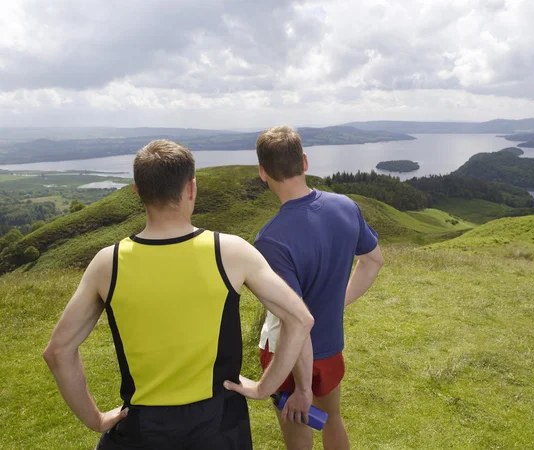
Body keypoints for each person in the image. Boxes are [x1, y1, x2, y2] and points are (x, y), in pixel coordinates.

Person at [43, 139, 314, 450]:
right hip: (220, 429)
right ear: (191, 189)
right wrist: (265, 387)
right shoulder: (229, 251)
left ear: (138, 192)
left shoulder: (109, 262)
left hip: (142, 431)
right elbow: (299, 319)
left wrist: (95, 419)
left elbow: (58, 352)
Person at [254, 126, 385, 450]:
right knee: (333, 420)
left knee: (299, 434)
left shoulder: (271, 239)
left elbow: (294, 321)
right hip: (331, 347)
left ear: (262, 172)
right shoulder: (345, 207)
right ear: (305, 161)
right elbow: (373, 261)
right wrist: (337, 303)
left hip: (286, 353)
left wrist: (301, 388)